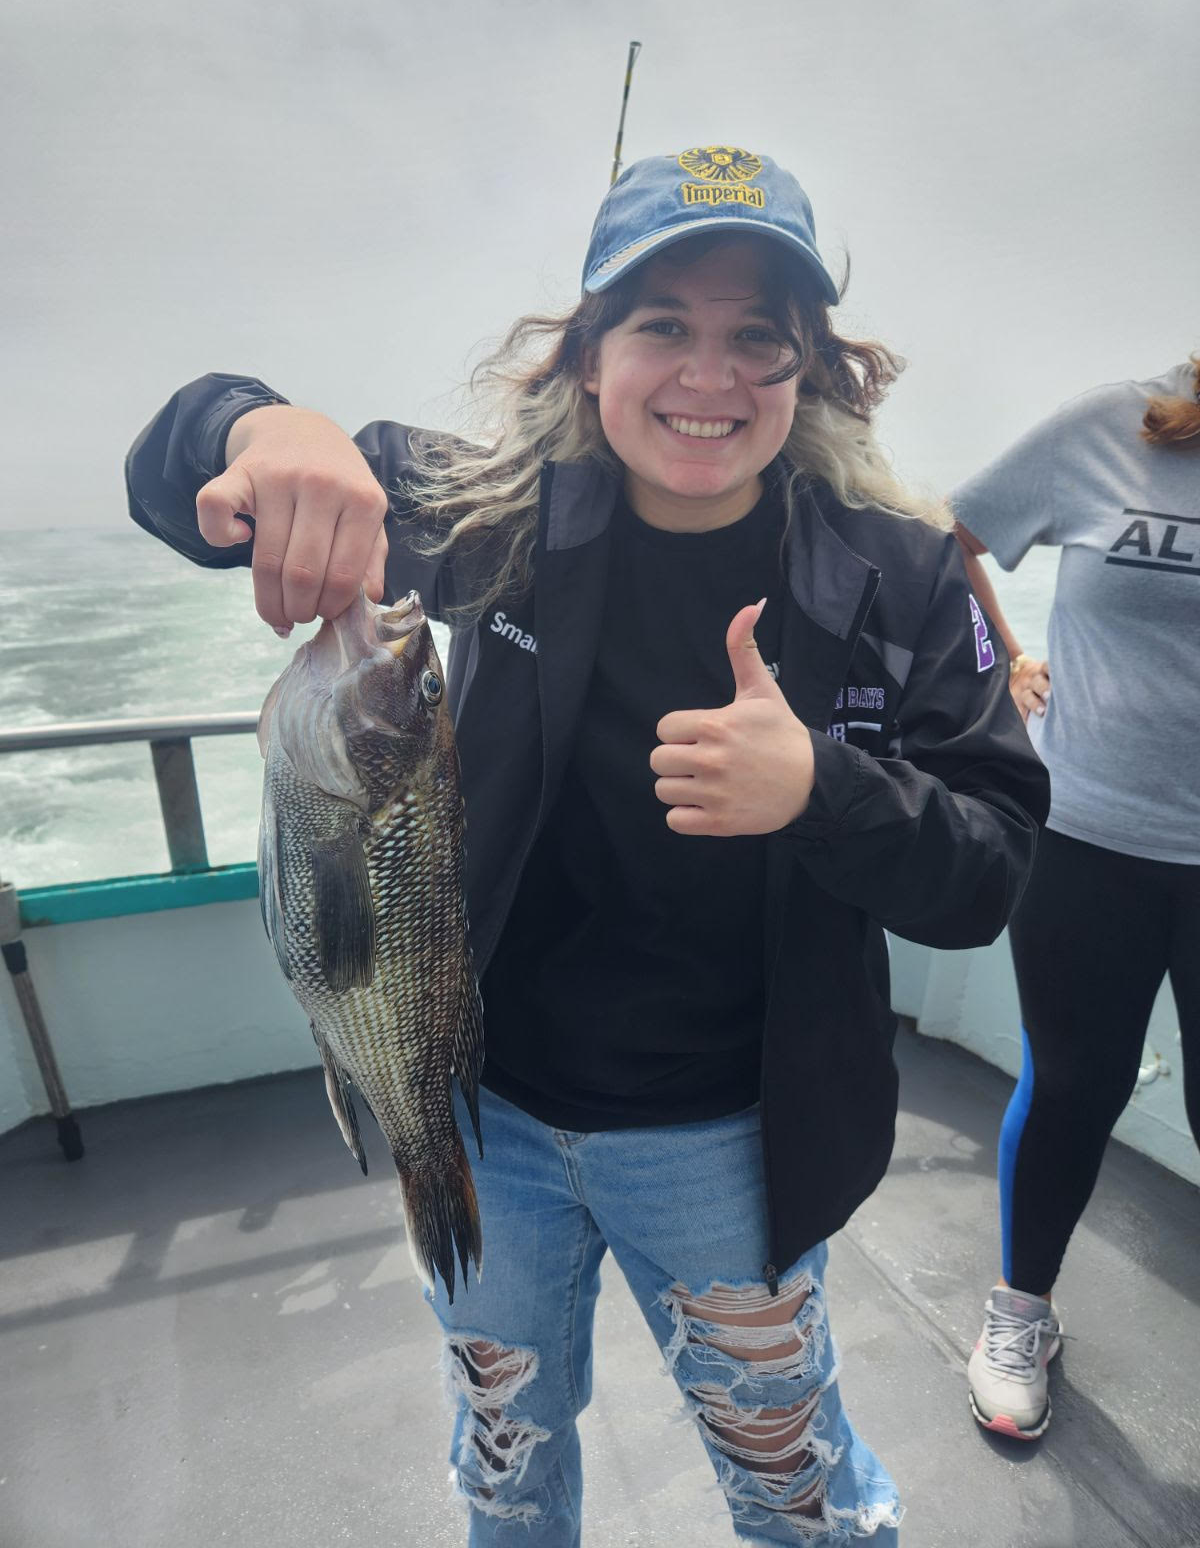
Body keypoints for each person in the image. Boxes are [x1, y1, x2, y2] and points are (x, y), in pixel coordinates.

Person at [127, 145, 1049, 1545]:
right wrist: (268, 427)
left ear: (813, 372)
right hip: (482, 1108)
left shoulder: (902, 573)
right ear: (586, 355)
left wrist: (821, 787)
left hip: (736, 1139)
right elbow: (182, 471)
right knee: (506, 1464)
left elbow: (991, 864)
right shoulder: (487, 515)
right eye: (662, 326)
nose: (708, 376)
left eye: (759, 339)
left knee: (794, 1486)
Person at [953, 360, 1200, 1442]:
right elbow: (948, 536)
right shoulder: (1114, 429)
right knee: (1075, 1084)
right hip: (1086, 832)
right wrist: (1000, 658)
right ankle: (1022, 1313)